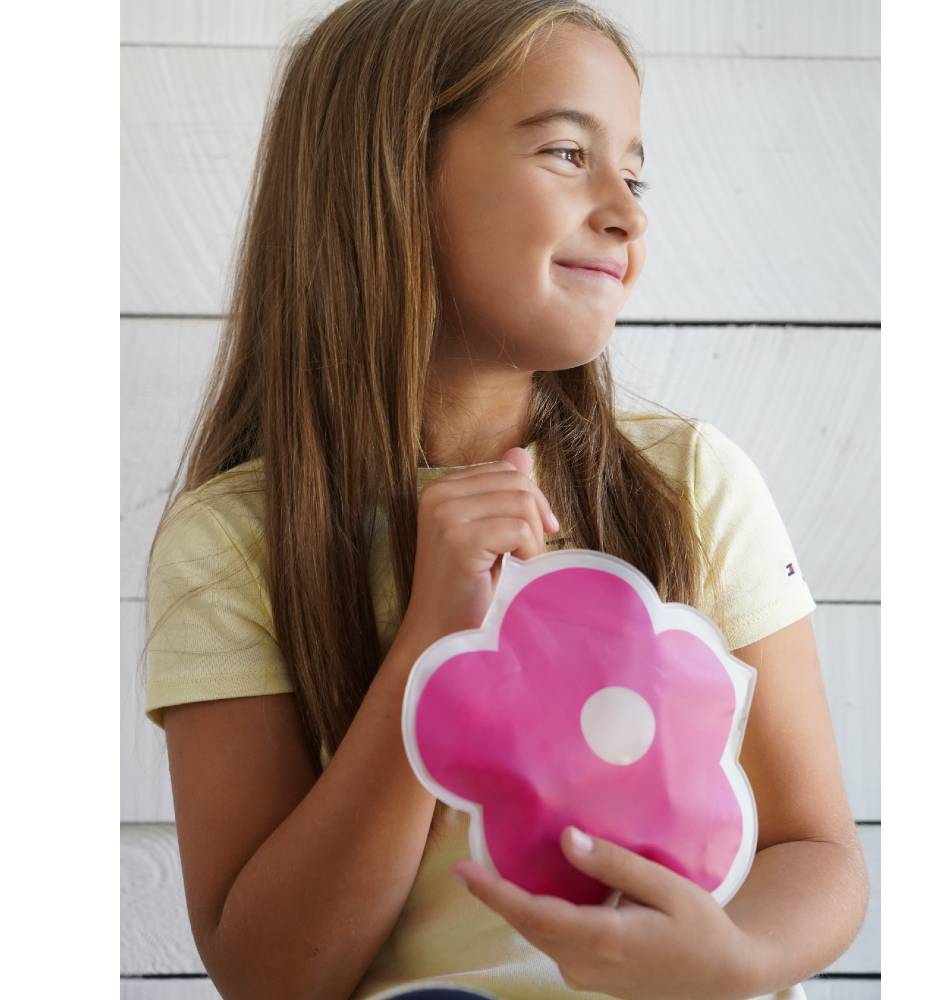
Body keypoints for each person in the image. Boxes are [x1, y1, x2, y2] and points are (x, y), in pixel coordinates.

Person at [139, 1, 870, 998]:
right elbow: (271, 975)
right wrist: (428, 646)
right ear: (390, 175)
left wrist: (736, 960)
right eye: (568, 153)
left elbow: (817, 851)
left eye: (634, 173)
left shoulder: (694, 483)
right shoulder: (233, 543)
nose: (626, 211)